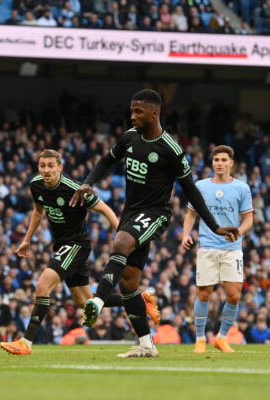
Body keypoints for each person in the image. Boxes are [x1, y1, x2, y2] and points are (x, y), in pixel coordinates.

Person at [70, 89, 239, 358]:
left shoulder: (171, 149)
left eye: (138, 111)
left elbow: (191, 190)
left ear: (154, 113)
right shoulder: (128, 138)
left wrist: (214, 225)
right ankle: (147, 344)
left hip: (156, 214)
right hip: (131, 213)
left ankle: (98, 300)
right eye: (131, 111)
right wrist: (88, 181)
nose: (132, 116)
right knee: (128, 283)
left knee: (121, 241)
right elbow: (106, 160)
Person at [0, 149, 159, 355]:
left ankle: (25, 342)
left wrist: (125, 238)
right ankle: (141, 300)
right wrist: (26, 240)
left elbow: (105, 209)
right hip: (63, 245)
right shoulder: (35, 184)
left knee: (42, 285)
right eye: (42, 166)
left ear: (60, 167)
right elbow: (38, 211)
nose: (46, 170)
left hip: (76, 245)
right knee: (85, 303)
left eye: (50, 165)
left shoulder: (74, 189)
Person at [182, 145, 253, 353]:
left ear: (231, 163)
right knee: (204, 294)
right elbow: (190, 214)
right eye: (216, 160)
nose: (219, 163)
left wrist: (239, 231)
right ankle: (201, 338)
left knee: (234, 295)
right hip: (207, 246)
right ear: (212, 163)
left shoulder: (242, 188)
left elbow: (249, 218)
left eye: (223, 160)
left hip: (232, 248)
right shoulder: (201, 186)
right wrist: (186, 234)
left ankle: (222, 338)